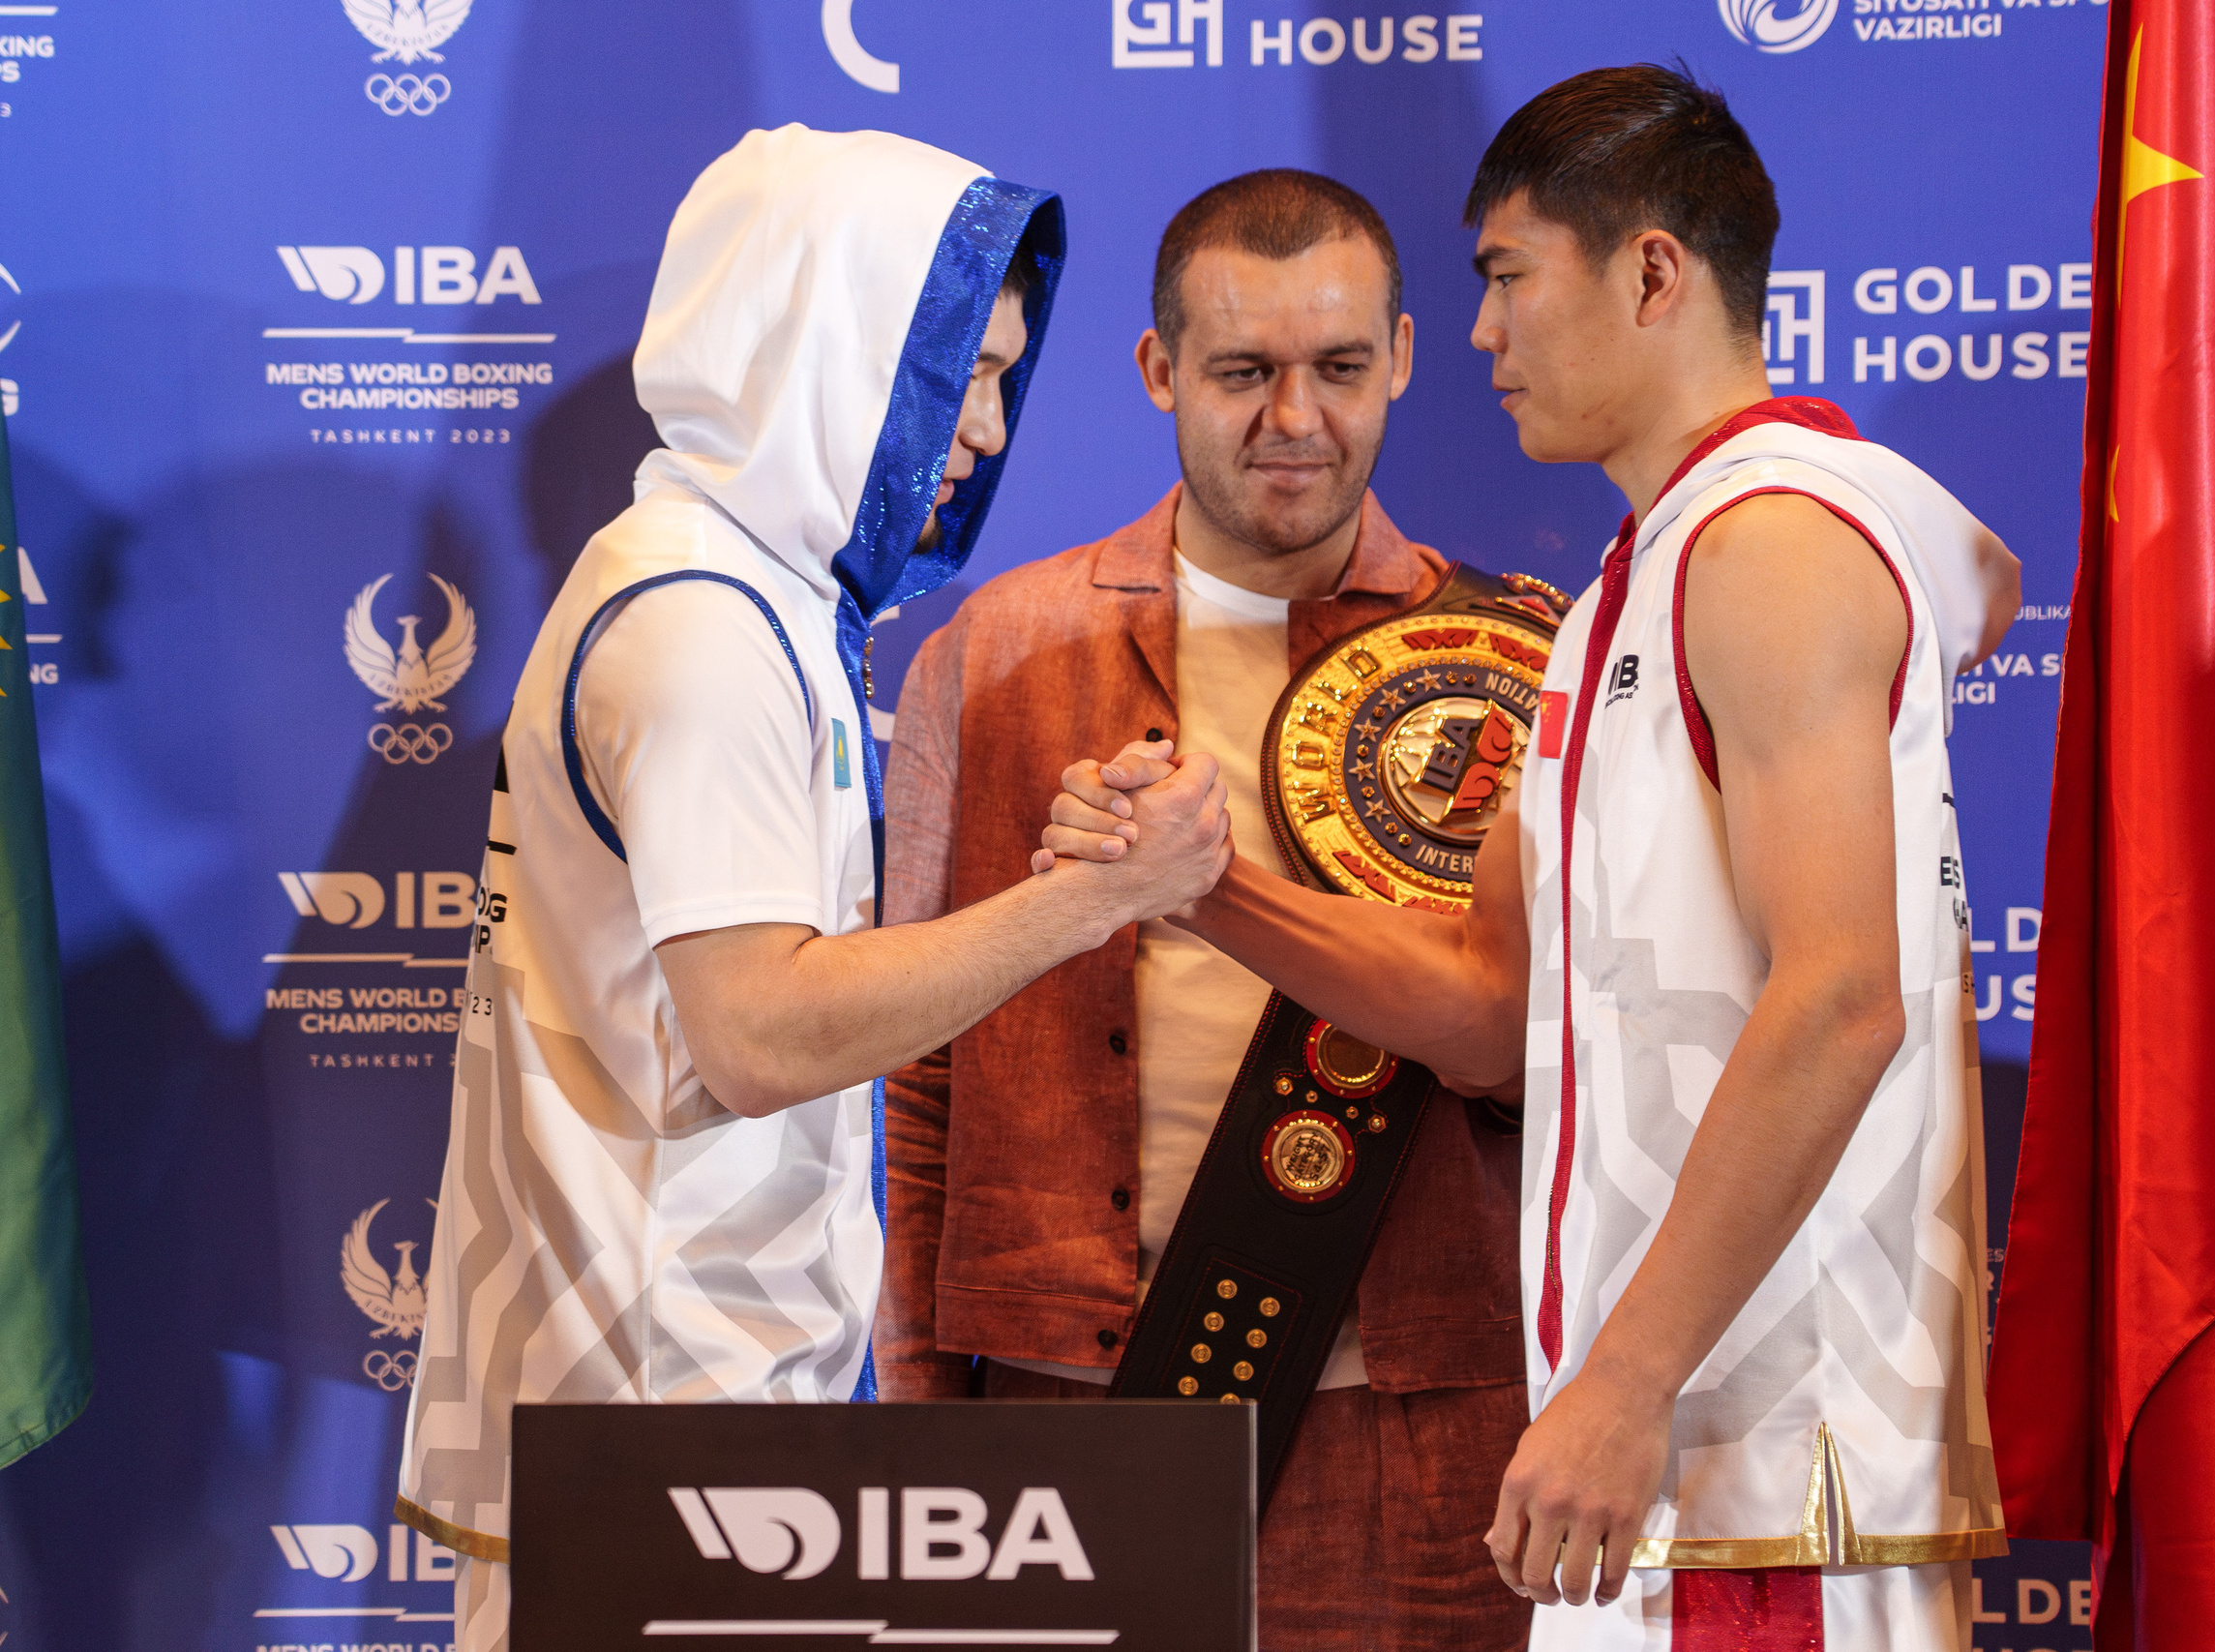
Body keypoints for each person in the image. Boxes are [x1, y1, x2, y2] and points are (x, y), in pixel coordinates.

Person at [1046, 69, 2024, 1650]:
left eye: (1509, 276)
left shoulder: (1773, 544)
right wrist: (1201, 884)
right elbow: (1488, 1001)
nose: (1483, 333)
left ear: (1653, 273)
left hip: (1759, 1471)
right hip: (1647, 1467)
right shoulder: (1625, 591)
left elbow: (1845, 998)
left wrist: (1627, 1382)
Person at [392, 126, 1230, 1652]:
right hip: (657, 1430)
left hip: (676, 1412)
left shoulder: (737, 588)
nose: (987, 429)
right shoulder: (702, 626)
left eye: (1003, 379)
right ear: (832, 343)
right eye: (962, 373)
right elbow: (762, 1034)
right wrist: (1092, 900)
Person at [877, 169, 1531, 1651]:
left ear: (1404, 358)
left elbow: (1552, 1062)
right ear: (1159, 370)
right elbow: (921, 1074)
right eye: (1242, 373)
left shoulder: (1512, 661)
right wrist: (915, 1407)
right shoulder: (991, 653)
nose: (1295, 419)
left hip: (1419, 1423)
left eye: (1339, 367)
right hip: (1058, 1410)